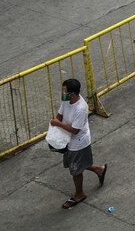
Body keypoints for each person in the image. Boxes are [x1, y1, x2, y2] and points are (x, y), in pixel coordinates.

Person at [51, 78, 107, 209]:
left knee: (75, 170)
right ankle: (99, 169)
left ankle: (79, 194)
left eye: (64, 92)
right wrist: (56, 124)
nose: (62, 94)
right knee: (75, 163)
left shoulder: (81, 108)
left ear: (73, 94)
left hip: (78, 142)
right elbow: (59, 114)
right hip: (67, 139)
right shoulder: (67, 101)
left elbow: (75, 130)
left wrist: (57, 124)